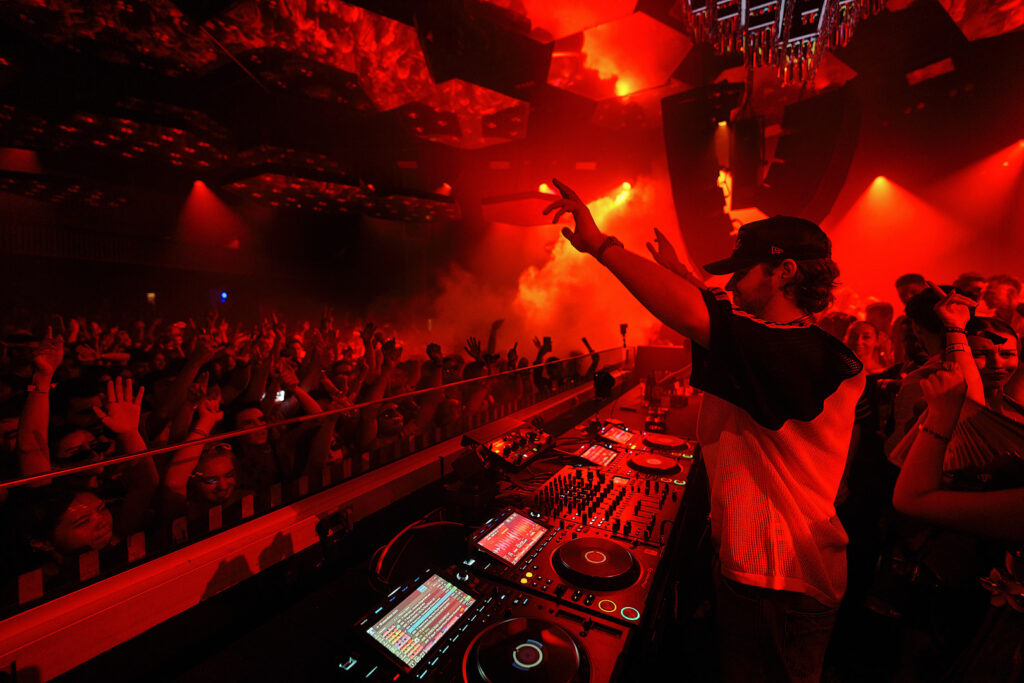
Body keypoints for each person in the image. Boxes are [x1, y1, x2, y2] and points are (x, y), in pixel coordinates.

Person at [544, 178, 864, 682]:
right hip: (758, 573)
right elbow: (720, 308)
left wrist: (602, 246)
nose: (733, 284)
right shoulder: (779, 341)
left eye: (743, 271)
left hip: (782, 581)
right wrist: (677, 270)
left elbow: (705, 314)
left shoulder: (815, 359)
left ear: (785, 271)